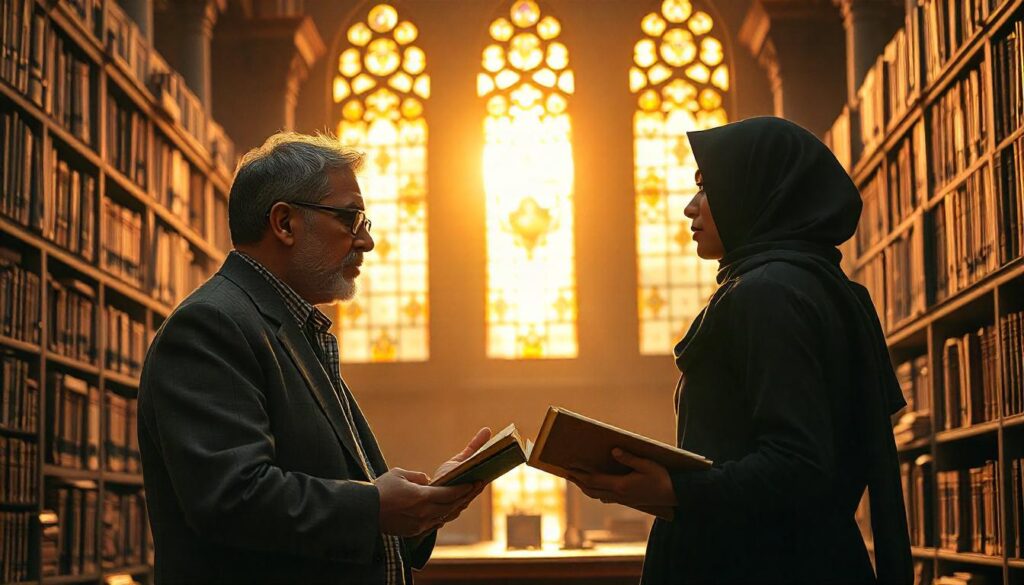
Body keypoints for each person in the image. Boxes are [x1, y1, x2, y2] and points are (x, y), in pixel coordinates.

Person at [568, 117, 913, 584]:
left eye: (706, 189)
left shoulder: (768, 293)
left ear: (758, 191)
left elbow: (798, 467)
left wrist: (674, 488)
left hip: (760, 565)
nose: (690, 208)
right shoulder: (813, 286)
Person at [138, 132, 489, 584]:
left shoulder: (292, 326)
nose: (366, 242)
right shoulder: (211, 325)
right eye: (350, 219)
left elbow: (332, 509)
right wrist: (376, 506)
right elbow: (232, 500)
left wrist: (422, 508)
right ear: (284, 223)